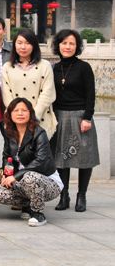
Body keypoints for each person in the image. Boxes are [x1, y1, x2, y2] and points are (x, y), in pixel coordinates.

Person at [0, 98, 62, 227]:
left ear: (30, 113)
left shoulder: (39, 133)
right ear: (10, 114)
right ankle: (27, 206)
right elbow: (7, 156)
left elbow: (40, 161)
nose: (20, 113)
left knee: (30, 177)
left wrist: (16, 176)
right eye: (16, 110)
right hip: (22, 181)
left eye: (24, 110)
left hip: (48, 182)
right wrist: (6, 175)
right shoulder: (9, 133)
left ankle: (38, 213)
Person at [51, 29, 99, 212]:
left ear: (77, 46)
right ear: (58, 45)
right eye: (64, 43)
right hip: (60, 117)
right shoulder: (54, 68)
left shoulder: (84, 67)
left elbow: (91, 94)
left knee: (84, 157)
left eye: (72, 43)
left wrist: (87, 117)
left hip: (80, 117)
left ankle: (81, 195)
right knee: (62, 158)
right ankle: (64, 195)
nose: (68, 46)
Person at [2, 28, 57, 138]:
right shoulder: (7, 67)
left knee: (41, 148)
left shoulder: (44, 66)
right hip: (15, 120)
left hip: (40, 119)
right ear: (14, 45)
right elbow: (7, 95)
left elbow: (47, 93)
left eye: (27, 43)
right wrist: (18, 114)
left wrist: (33, 116)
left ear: (34, 45)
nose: (23, 47)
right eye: (19, 43)